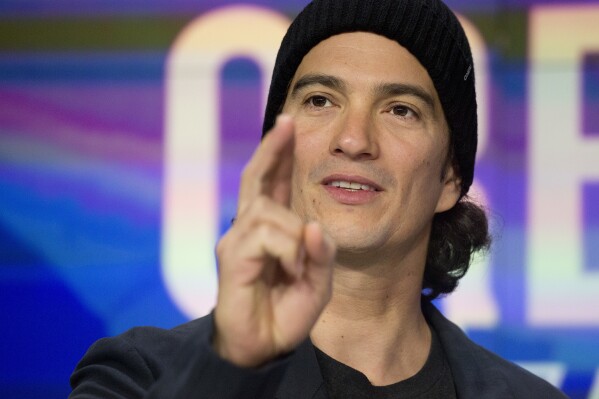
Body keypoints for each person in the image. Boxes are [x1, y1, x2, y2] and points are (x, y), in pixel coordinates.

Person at [69, 0, 568, 398]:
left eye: (400, 109)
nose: (353, 139)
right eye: (320, 101)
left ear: (450, 180)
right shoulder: (138, 377)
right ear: (276, 151)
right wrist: (230, 369)